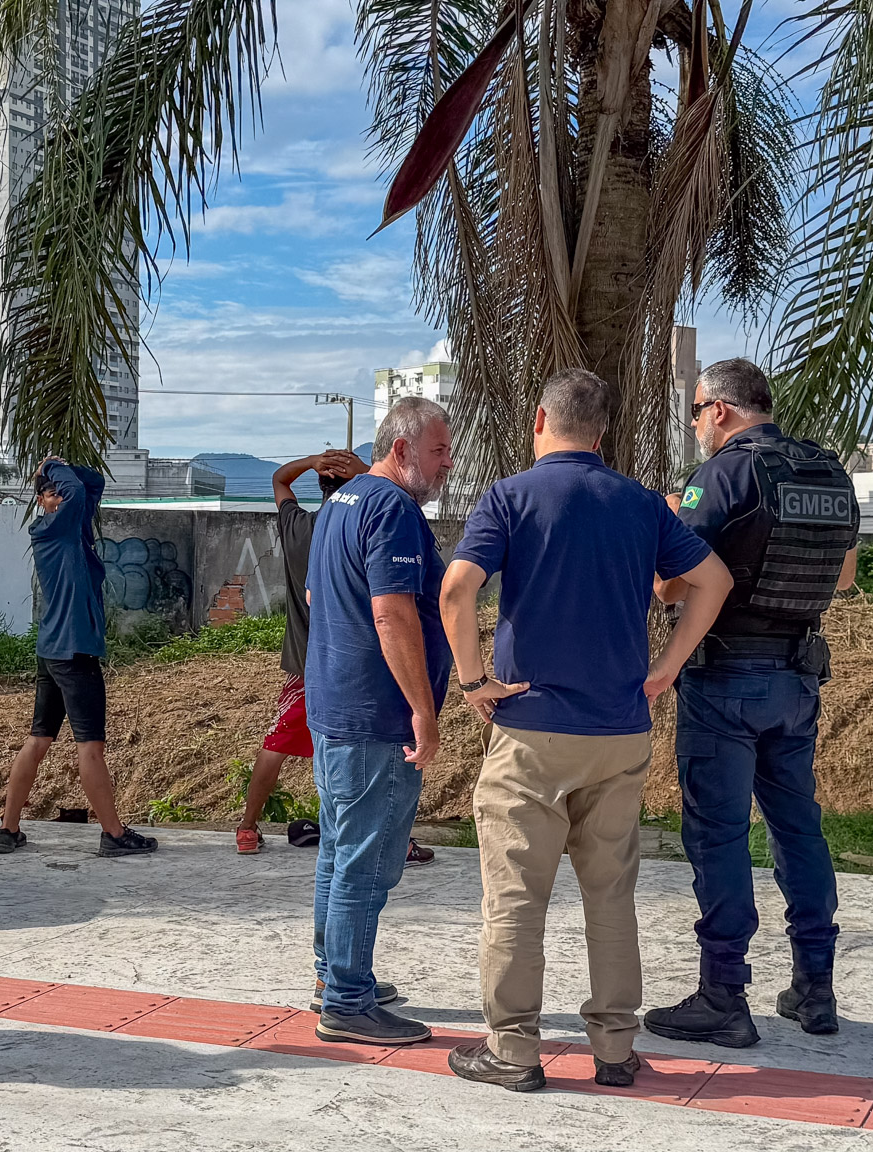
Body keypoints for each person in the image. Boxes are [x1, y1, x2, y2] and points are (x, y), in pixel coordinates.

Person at [438, 368, 734, 1092]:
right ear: (603, 433)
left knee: (516, 898)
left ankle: (513, 1051)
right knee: (610, 896)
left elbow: (456, 588)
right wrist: (665, 668)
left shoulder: (510, 496)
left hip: (532, 731)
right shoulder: (641, 502)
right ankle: (615, 1049)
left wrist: (474, 681)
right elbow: (715, 582)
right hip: (619, 731)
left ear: (540, 421)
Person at [643, 358, 861, 1049]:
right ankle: (815, 988)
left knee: (719, 834)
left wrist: (670, 522)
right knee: (798, 829)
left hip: (725, 679)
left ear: (720, 409)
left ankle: (723, 995)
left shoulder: (721, 475)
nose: (696, 428)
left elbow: (671, 586)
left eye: (696, 413)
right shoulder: (827, 471)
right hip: (797, 678)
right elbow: (845, 576)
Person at [301, 396, 454, 1047]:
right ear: (401, 449)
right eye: (438, 451)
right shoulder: (392, 508)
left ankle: (332, 975)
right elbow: (392, 613)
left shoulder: (342, 502)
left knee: (340, 851)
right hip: (374, 715)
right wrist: (422, 709)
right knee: (365, 863)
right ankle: (347, 1001)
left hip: (335, 706)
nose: (448, 464)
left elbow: (317, 594)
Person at [0, 457, 159, 859]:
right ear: (41, 502)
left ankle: (7, 830)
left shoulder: (72, 529)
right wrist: (50, 468)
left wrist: (61, 467)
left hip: (53, 650)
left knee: (39, 739)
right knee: (91, 747)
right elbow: (77, 491)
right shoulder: (56, 527)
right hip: (74, 652)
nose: (60, 497)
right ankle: (114, 835)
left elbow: (93, 484)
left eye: (59, 494)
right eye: (50, 494)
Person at [233, 449, 366, 854]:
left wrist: (311, 461)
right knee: (368, 750)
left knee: (276, 743)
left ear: (322, 485)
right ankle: (376, 834)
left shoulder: (298, 527)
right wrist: (364, 471)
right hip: (351, 663)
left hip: (304, 662)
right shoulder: (358, 529)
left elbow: (279, 479)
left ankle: (247, 827)